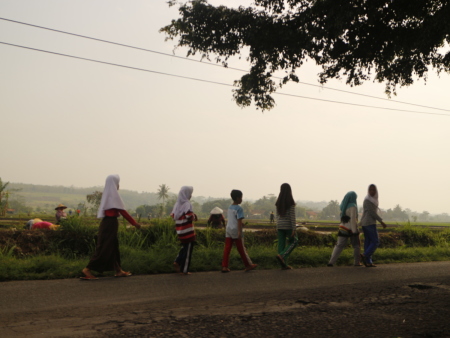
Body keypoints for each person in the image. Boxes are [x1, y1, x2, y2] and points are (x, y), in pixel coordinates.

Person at [81, 175, 141, 280]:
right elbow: (123, 211)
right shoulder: (113, 195)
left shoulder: (108, 194)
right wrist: (134, 223)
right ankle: (88, 269)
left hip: (108, 223)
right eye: (118, 183)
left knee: (113, 247)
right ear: (115, 183)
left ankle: (118, 270)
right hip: (110, 223)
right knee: (105, 247)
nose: (119, 185)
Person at [221, 190, 257, 273]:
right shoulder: (239, 208)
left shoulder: (230, 207)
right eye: (241, 197)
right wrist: (239, 232)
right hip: (236, 230)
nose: (241, 199)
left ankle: (224, 266)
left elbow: (233, 219)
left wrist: (241, 223)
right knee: (242, 249)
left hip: (229, 229)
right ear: (237, 198)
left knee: (227, 249)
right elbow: (239, 220)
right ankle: (248, 265)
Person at [328, 191, 361, 267]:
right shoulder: (353, 206)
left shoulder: (343, 206)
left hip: (343, 227)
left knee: (339, 245)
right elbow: (353, 219)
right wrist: (354, 231)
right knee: (356, 245)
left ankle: (331, 262)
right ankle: (357, 262)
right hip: (351, 228)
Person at [171, 186, 197, 275]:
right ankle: (184, 270)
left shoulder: (177, 204)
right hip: (188, 232)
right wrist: (194, 216)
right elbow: (189, 216)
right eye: (190, 193)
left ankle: (177, 261)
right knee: (188, 251)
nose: (191, 196)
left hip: (180, 231)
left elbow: (173, 216)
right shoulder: (187, 204)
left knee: (184, 248)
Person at [360, 184, 387, 268]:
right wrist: (381, 221)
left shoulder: (373, 199)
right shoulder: (368, 200)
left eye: (373, 190)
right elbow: (372, 213)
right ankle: (365, 255)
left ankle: (368, 262)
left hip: (366, 223)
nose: (372, 192)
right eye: (370, 190)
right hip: (369, 223)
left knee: (368, 242)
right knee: (375, 241)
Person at [275, 183, 299, 270]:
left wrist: (277, 226)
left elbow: (277, 216)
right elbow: (292, 217)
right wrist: (294, 229)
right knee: (294, 241)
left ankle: (284, 265)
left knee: (281, 244)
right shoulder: (291, 203)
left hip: (280, 226)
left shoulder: (278, 203)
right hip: (288, 226)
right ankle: (282, 256)